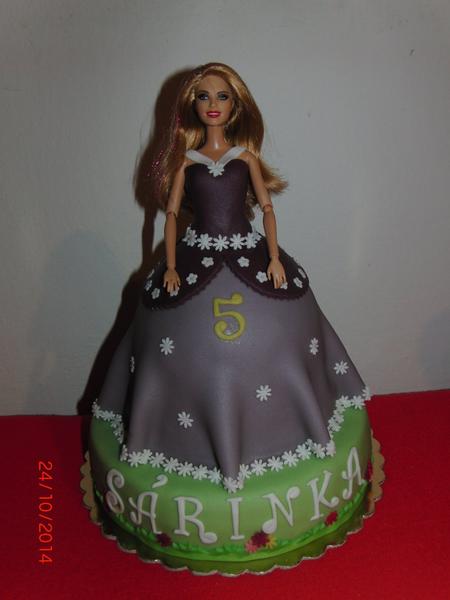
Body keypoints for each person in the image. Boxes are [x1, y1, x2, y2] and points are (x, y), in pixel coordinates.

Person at [93, 62, 370, 494]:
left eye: (222, 96)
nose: (213, 104)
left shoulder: (245, 158)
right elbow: (170, 216)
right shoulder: (186, 161)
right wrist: (169, 266)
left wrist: (274, 257)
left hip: (248, 249)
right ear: (192, 105)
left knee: (287, 320)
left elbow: (267, 208)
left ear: (236, 105)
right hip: (194, 253)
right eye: (204, 96)